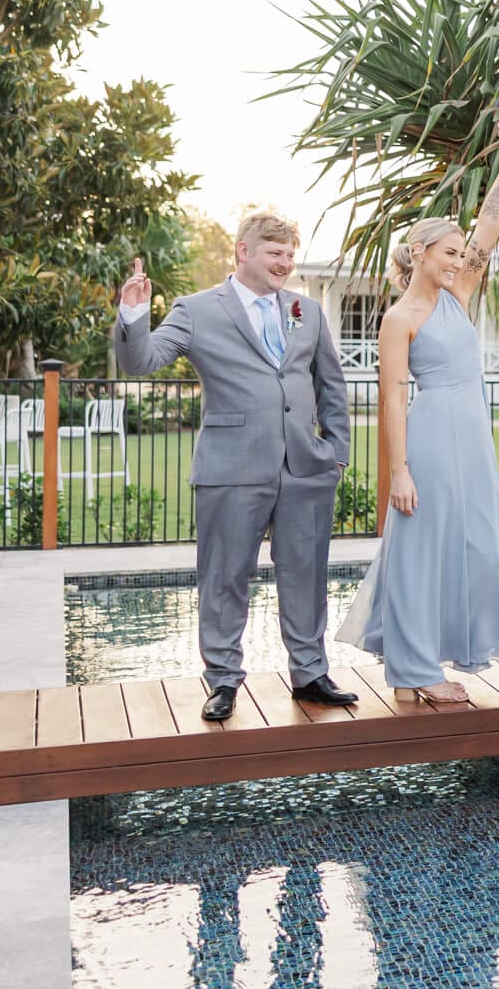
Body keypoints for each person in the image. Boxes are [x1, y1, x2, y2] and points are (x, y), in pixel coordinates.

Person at [113, 211, 356, 720]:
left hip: (305, 470)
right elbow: (141, 361)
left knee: (307, 575)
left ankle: (310, 674)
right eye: (275, 253)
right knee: (224, 577)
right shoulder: (198, 309)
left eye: (289, 255)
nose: (285, 263)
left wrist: (336, 453)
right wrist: (133, 315)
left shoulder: (307, 311)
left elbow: (330, 385)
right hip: (231, 466)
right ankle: (223, 680)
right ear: (243, 251)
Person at [335, 139, 499, 700]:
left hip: (474, 438)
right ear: (419, 252)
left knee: (478, 547)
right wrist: (399, 470)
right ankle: (413, 671)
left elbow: (489, 224)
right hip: (431, 439)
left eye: (460, 254)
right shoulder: (399, 319)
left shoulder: (458, 295)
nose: (457, 260)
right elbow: (392, 398)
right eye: (448, 252)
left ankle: (418, 663)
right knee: (420, 551)